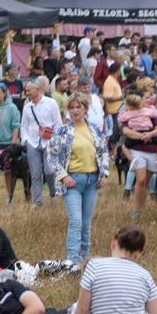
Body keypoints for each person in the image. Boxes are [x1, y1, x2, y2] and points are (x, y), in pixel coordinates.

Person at [49, 93, 110, 264]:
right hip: (73, 181)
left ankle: (85, 255)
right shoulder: (62, 131)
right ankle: (73, 259)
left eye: (79, 107)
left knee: (86, 222)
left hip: (92, 180)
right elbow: (52, 156)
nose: (75, 111)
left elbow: (103, 152)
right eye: (72, 107)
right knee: (76, 220)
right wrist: (63, 175)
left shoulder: (95, 130)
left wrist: (104, 173)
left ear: (85, 109)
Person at [117, 92, 157, 221]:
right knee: (141, 180)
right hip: (136, 150)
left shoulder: (150, 113)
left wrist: (150, 134)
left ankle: (141, 208)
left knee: (145, 183)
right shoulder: (127, 116)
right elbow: (125, 131)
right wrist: (142, 136)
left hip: (151, 150)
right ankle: (136, 211)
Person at [20, 77, 61, 207]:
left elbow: (58, 124)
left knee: (49, 171)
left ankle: (53, 193)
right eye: (26, 91)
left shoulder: (51, 103)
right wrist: (25, 140)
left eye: (29, 90)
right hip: (32, 142)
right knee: (35, 173)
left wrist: (53, 137)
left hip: (49, 142)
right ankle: (37, 201)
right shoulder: (27, 107)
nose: (27, 93)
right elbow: (23, 126)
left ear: (37, 90)